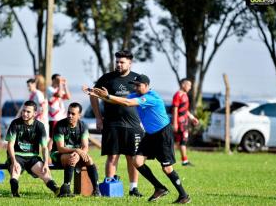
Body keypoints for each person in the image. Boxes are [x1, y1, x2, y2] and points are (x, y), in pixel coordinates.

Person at [84, 74, 191, 204]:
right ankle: (159, 188)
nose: (135, 87)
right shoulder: (136, 95)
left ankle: (183, 195)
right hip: (150, 135)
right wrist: (95, 93)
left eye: (138, 85)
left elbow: (128, 103)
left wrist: (107, 96)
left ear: (146, 86)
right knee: (137, 161)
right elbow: (119, 100)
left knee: (167, 168)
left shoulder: (152, 97)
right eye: (134, 85)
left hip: (163, 134)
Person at [89, 50, 144, 197]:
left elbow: (146, 99)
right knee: (112, 157)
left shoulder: (137, 79)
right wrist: (98, 117)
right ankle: (109, 187)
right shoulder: (107, 78)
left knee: (132, 158)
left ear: (130, 63)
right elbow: (93, 94)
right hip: (112, 124)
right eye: (117, 61)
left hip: (133, 125)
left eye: (122, 62)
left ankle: (133, 189)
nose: (118, 64)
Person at [6, 100, 62, 197]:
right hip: (17, 155)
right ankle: (15, 193)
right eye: (23, 111)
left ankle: (57, 191)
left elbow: (44, 147)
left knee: (44, 173)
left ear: (35, 113)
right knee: (15, 171)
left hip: (33, 157)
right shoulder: (15, 123)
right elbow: (10, 145)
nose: (24, 113)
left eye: (28, 112)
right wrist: (14, 161)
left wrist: (45, 163)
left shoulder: (40, 126)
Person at [50, 102, 101, 196]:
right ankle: (66, 189)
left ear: (79, 115)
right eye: (68, 113)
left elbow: (85, 146)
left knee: (89, 159)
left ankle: (96, 190)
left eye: (73, 114)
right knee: (71, 158)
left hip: (75, 154)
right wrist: (77, 151)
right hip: (58, 154)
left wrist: (79, 153)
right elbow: (60, 148)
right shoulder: (60, 125)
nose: (70, 115)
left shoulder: (83, 126)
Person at [172, 78, 199, 166]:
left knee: (181, 141)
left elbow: (185, 110)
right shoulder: (178, 95)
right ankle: (182, 161)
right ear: (183, 85)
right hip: (180, 122)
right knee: (180, 141)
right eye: (189, 85)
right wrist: (175, 123)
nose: (190, 87)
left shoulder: (185, 95)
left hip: (185, 122)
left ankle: (184, 160)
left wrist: (192, 118)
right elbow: (175, 109)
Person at [47, 74, 71, 151]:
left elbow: (68, 97)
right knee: (52, 137)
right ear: (53, 80)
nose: (59, 80)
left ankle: (59, 153)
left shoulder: (60, 88)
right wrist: (60, 83)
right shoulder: (49, 89)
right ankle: (48, 157)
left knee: (62, 136)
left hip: (62, 117)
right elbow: (59, 94)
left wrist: (65, 85)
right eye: (58, 79)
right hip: (54, 118)